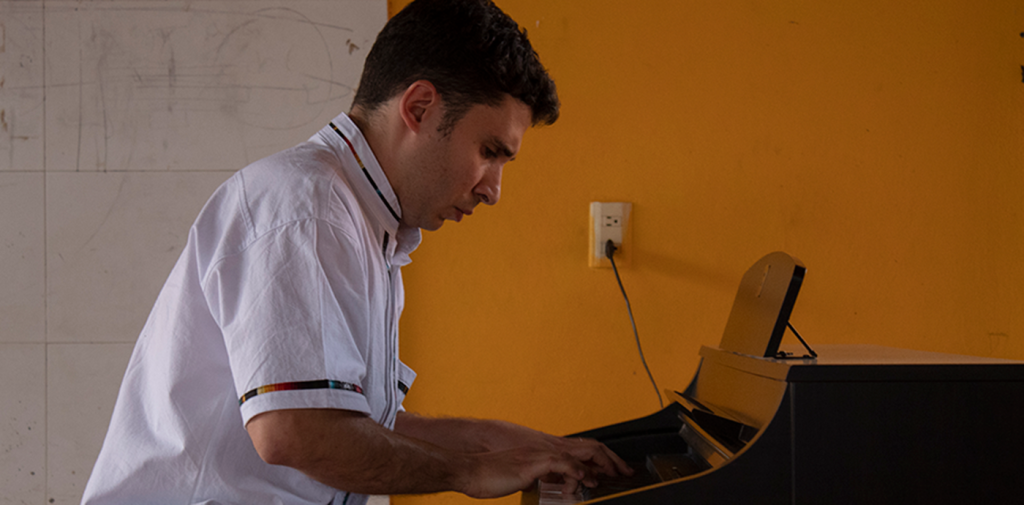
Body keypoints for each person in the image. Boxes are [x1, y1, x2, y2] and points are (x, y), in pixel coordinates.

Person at [81, 1, 631, 504]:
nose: (493, 190)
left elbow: (349, 425)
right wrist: (471, 471)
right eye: (490, 151)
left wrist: (500, 442)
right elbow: (296, 432)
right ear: (419, 107)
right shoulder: (308, 209)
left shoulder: (361, 222)